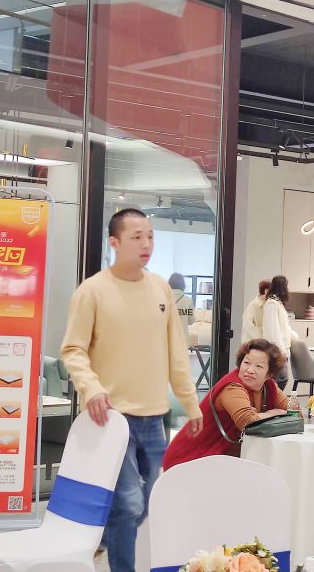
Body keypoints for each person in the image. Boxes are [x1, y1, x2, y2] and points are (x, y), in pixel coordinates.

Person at [61, 208, 202, 572]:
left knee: (149, 499)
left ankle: (103, 538)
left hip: (155, 417)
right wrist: (91, 388)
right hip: (111, 417)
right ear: (114, 242)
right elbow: (73, 349)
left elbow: (176, 351)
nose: (146, 244)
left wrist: (191, 403)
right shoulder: (92, 291)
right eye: (136, 237)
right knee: (128, 504)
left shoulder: (160, 289)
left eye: (150, 236)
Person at [162, 339, 289, 469]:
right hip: (189, 460)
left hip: (221, 459)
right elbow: (248, 422)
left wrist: (263, 415)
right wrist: (274, 413)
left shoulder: (269, 387)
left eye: (259, 366)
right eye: (246, 362)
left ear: (269, 374)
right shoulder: (232, 387)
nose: (250, 370)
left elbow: (294, 411)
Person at [262, 275, 294, 390]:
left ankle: (273, 400)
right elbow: (274, 330)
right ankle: (271, 401)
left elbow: (284, 327)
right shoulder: (272, 304)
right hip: (277, 350)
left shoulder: (277, 303)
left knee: (280, 379)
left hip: (281, 349)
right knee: (280, 379)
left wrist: (294, 337)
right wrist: (281, 350)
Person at [168, 273, 195, 345]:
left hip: (167, 338)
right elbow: (191, 321)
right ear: (183, 285)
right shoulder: (188, 300)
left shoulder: (163, 298)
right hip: (183, 339)